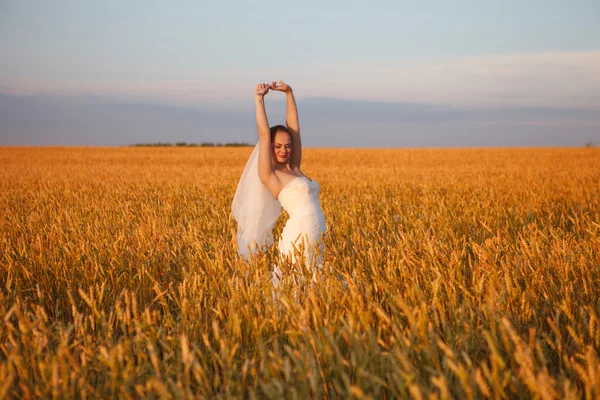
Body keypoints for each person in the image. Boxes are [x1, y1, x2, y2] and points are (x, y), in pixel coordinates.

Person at [231, 81, 327, 289]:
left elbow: (295, 129)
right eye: (277, 147)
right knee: (298, 283)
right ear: (269, 148)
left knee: (312, 281)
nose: (283, 150)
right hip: (299, 233)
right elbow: (264, 133)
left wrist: (289, 94)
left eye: (287, 146)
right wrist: (259, 99)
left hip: (317, 233)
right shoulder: (270, 174)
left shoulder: (294, 166)